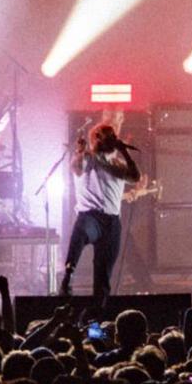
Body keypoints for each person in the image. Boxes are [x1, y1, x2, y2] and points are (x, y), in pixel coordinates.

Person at [59, 120, 140, 303]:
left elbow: (134, 177)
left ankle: (99, 308)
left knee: (103, 273)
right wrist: (79, 152)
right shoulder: (88, 158)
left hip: (111, 221)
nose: (113, 138)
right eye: (108, 135)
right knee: (80, 232)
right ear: (96, 138)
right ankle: (69, 274)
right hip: (91, 216)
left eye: (114, 135)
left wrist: (124, 151)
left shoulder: (117, 164)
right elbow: (76, 169)